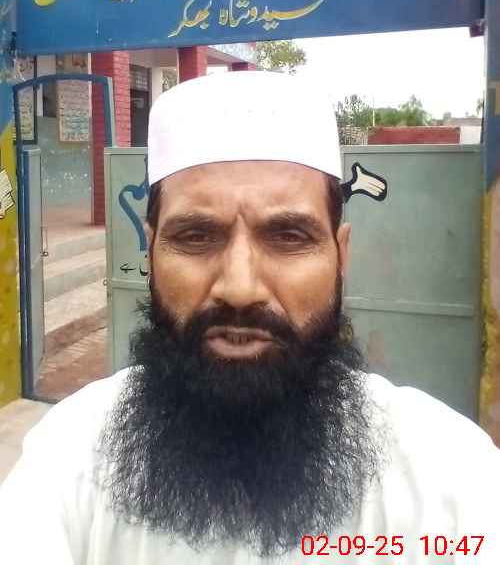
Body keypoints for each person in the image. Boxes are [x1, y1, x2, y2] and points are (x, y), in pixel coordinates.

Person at [1, 70, 499, 564]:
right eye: (196, 237)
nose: (239, 288)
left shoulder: (449, 478)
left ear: (341, 255)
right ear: (150, 253)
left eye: (288, 237)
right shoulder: (70, 457)